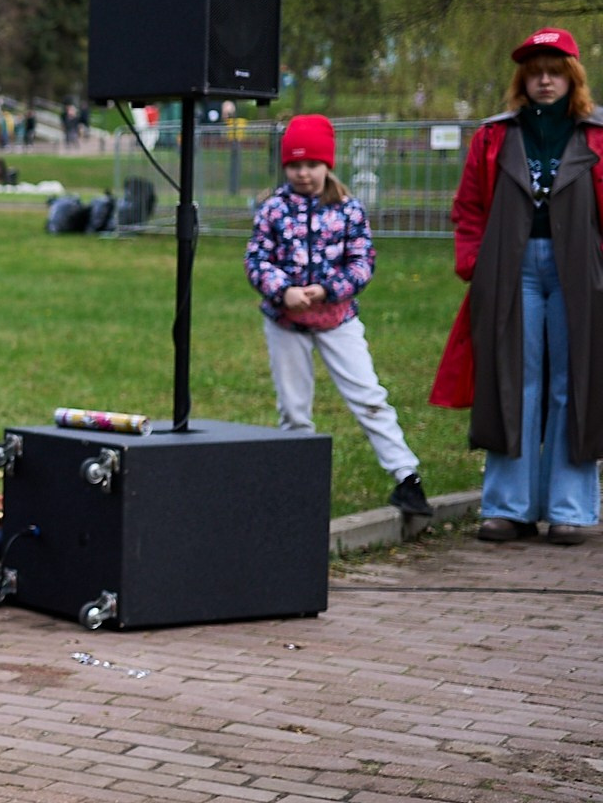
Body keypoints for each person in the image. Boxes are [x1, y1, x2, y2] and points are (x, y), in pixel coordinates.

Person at [432, 27, 603, 543]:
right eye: (535, 74)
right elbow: (467, 209)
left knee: (572, 384)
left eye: (554, 73)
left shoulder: (594, 135)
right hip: (511, 270)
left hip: (582, 275)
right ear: (522, 81)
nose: (544, 81)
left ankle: (570, 509)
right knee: (511, 382)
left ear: (571, 77)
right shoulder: (495, 136)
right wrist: (475, 267)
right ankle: (509, 507)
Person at [247, 115, 431, 517]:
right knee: (293, 408)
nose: (303, 173)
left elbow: (362, 261)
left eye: (311, 164)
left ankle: (406, 477)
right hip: (286, 324)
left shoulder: (348, 210)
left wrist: (329, 290)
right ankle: (297, 489)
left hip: (338, 321)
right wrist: (284, 291)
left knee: (368, 396)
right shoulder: (273, 210)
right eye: (294, 165)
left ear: (327, 164)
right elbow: (257, 259)